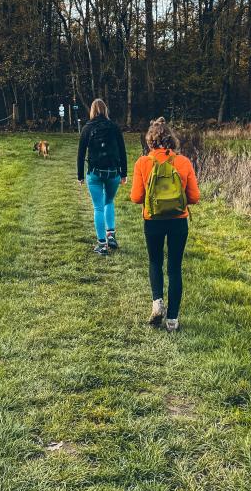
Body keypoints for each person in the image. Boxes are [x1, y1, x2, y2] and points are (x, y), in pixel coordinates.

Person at [130, 117, 200, 331]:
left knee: (155, 262)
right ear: (172, 139)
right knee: (175, 268)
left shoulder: (143, 162)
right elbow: (194, 197)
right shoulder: (183, 162)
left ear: (150, 140)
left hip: (152, 220)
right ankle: (172, 320)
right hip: (178, 221)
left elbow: (135, 197)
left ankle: (157, 302)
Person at [77, 98, 128, 255]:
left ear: (92, 111)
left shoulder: (87, 128)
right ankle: (111, 235)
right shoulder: (114, 127)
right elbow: (122, 150)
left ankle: (101, 244)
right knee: (109, 201)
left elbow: (80, 154)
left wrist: (80, 176)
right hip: (113, 172)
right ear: (105, 110)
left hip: (95, 172)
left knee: (98, 207)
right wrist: (124, 173)